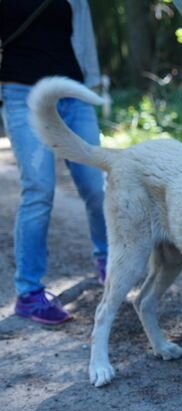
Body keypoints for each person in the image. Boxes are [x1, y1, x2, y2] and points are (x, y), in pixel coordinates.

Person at [0, 0, 107, 325]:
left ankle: (109, 260)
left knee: (96, 185)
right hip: (22, 96)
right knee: (39, 189)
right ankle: (29, 294)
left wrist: (93, 88)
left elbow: (84, 39)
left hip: (72, 95)